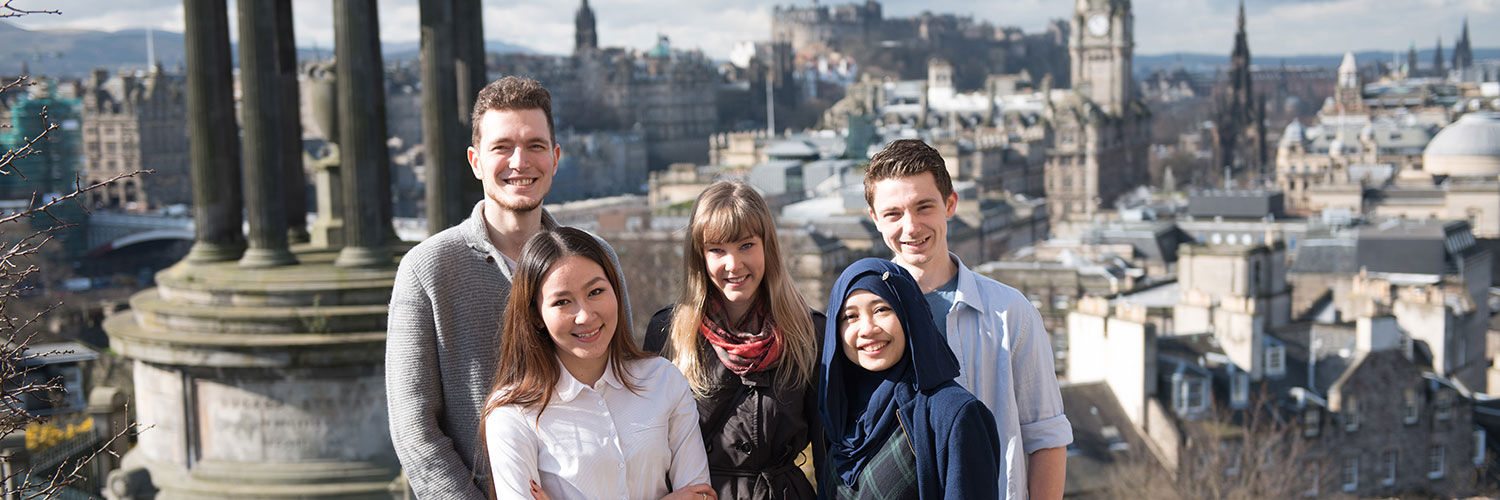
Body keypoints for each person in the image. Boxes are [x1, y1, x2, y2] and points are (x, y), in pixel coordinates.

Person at [386, 76, 630, 498]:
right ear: (476, 161)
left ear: (555, 158)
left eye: (535, 145)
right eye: (502, 147)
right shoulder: (426, 269)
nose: (521, 162)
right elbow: (415, 430)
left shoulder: (596, 257)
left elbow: (623, 382)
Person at [862, 139, 1070, 499]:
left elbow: (1046, 436)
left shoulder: (1010, 312)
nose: (910, 227)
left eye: (923, 207)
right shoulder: (862, 322)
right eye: (893, 213)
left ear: (950, 204)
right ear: (875, 220)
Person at [481, 228, 714, 500]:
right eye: (563, 301)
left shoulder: (663, 380)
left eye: (595, 291)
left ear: (616, 291)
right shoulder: (513, 413)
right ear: (535, 315)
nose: (585, 315)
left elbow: (701, 496)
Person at [642, 181, 823, 499]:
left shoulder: (807, 332)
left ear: (767, 246)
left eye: (746, 246)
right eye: (717, 250)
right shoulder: (668, 332)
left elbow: (828, 448)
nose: (733, 264)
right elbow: (647, 446)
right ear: (700, 257)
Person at [820, 258, 1001, 499]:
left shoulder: (954, 414)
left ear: (908, 314)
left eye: (881, 309)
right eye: (850, 317)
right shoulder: (838, 414)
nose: (867, 329)